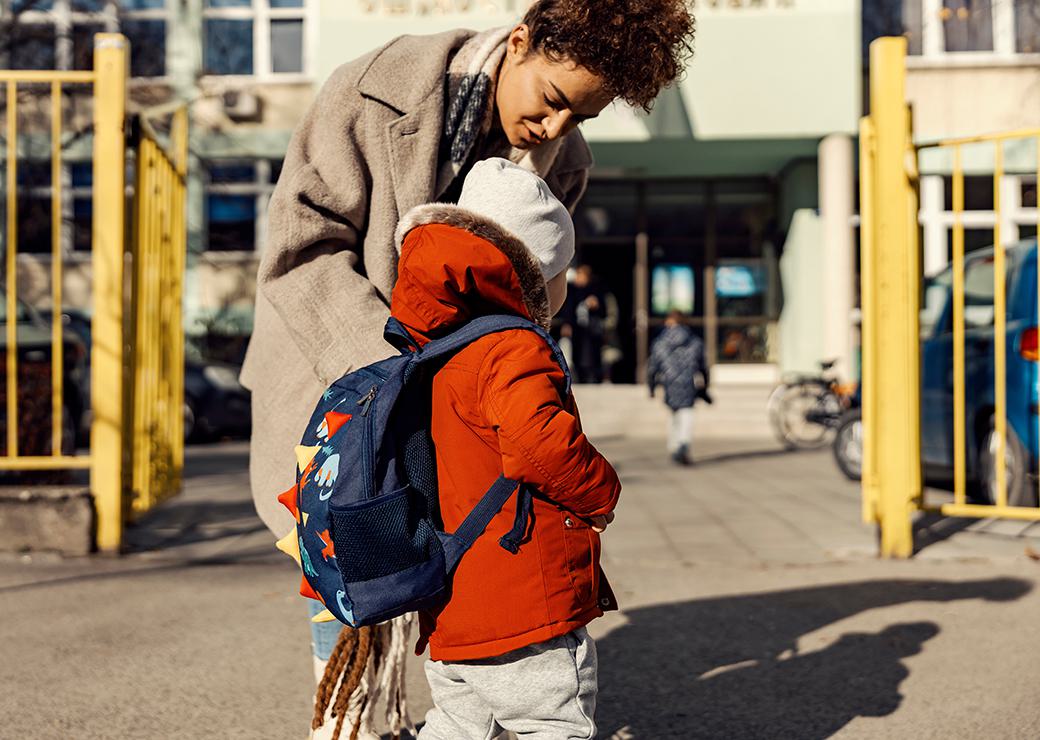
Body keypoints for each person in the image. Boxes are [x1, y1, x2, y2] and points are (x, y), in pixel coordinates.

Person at [239, 2, 694, 736]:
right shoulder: (375, 88)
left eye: (580, 117)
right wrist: (396, 370)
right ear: (520, 40)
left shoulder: (565, 165)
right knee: (350, 568)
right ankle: (349, 728)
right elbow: (302, 247)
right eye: (551, 101)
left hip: (459, 404)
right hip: (334, 367)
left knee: (449, 568)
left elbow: (528, 302)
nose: (555, 131)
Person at [385, 158, 620, 739]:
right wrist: (601, 491)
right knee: (553, 724)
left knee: (459, 725)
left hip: (452, 600)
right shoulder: (513, 347)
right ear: (535, 275)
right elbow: (537, 442)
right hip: (522, 601)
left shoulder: (433, 350)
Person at [648, 311, 711, 465]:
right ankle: (683, 443)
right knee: (686, 414)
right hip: (688, 383)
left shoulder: (660, 343)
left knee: (673, 415)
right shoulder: (695, 341)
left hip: (669, 384)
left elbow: (652, 368)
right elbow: (703, 367)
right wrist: (705, 386)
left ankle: (674, 445)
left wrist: (651, 386)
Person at [560, 264, 608, 383]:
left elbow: (604, 310)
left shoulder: (595, 290)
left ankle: (592, 377)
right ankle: (580, 376)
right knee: (576, 352)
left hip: (591, 330)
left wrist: (595, 305)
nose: (580, 278)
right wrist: (567, 324)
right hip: (577, 328)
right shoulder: (571, 291)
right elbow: (567, 310)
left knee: (591, 354)